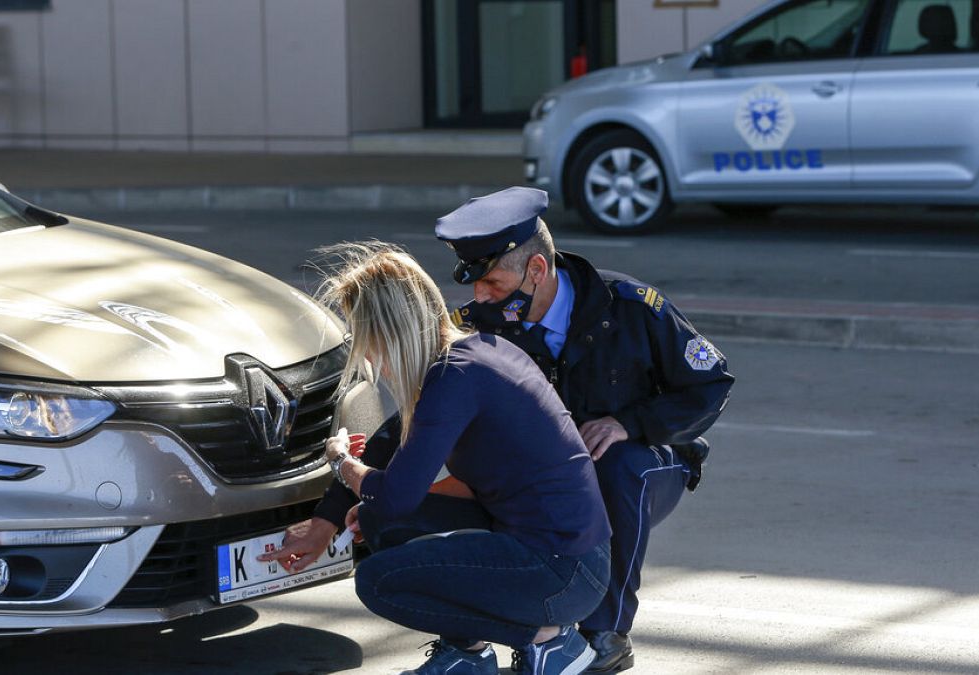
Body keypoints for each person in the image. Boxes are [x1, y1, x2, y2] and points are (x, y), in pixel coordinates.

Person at [263, 241, 612, 675]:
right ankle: (468, 655)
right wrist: (351, 503)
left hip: (563, 572)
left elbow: (396, 496)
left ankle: (549, 642)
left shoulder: (454, 378)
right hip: (569, 556)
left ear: (389, 331)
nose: (369, 357)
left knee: (380, 583)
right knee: (376, 520)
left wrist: (341, 461)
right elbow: (412, 480)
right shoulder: (476, 353)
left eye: (366, 340)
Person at [434, 187, 734, 673]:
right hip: (546, 471)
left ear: (537, 270)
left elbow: (711, 384)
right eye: (476, 285)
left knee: (618, 465)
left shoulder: (632, 306)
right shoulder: (478, 325)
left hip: (648, 460)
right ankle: (476, 639)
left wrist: (629, 423)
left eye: (492, 282)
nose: (480, 297)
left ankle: (604, 634)